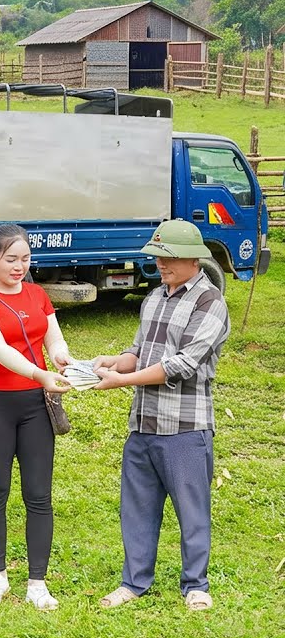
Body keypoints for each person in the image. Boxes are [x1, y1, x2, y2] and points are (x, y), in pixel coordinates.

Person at [93, 219, 229, 613]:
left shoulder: (210, 303)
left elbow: (181, 365)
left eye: (166, 258)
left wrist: (121, 381)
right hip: (143, 424)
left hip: (185, 427)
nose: (159, 264)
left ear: (192, 259)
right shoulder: (154, 298)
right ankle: (133, 583)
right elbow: (141, 351)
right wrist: (114, 362)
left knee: (192, 510)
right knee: (136, 507)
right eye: (156, 256)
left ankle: (196, 586)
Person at [0, 223, 72, 611]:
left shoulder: (38, 294)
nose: (19, 266)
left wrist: (60, 357)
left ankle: (37, 583)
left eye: (25, 259)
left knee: (38, 496)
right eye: (11, 259)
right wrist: (40, 374)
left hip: (35, 409)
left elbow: (52, 337)